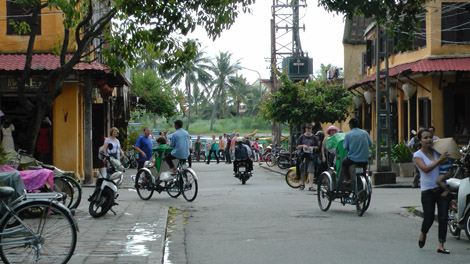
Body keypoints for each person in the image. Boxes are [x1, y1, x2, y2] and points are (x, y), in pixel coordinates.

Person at [413, 129, 451, 254]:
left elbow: (447, 165)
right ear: (420, 140)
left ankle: (441, 245)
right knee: (428, 218)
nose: (429, 140)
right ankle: (423, 232)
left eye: (430, 137)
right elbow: (425, 169)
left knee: (443, 217)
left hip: (441, 189)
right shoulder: (417, 155)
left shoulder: (437, 151)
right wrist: (440, 159)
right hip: (427, 191)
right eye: (425, 138)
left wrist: (447, 173)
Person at [341, 117, 372, 186]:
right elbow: (370, 144)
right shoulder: (365, 133)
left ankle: (348, 179)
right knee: (363, 172)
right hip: (364, 159)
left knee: (344, 164)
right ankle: (364, 183)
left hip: (353, 159)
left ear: (350, 125)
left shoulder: (348, 135)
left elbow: (345, 147)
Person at [296, 123, 319, 191]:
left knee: (311, 170)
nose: (309, 130)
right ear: (305, 129)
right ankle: (303, 184)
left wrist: (311, 147)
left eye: (310, 128)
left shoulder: (314, 137)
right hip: (303, 156)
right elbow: (297, 147)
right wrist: (303, 146)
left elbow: (317, 147)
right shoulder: (301, 137)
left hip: (311, 156)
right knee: (303, 170)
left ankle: (311, 186)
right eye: (308, 128)